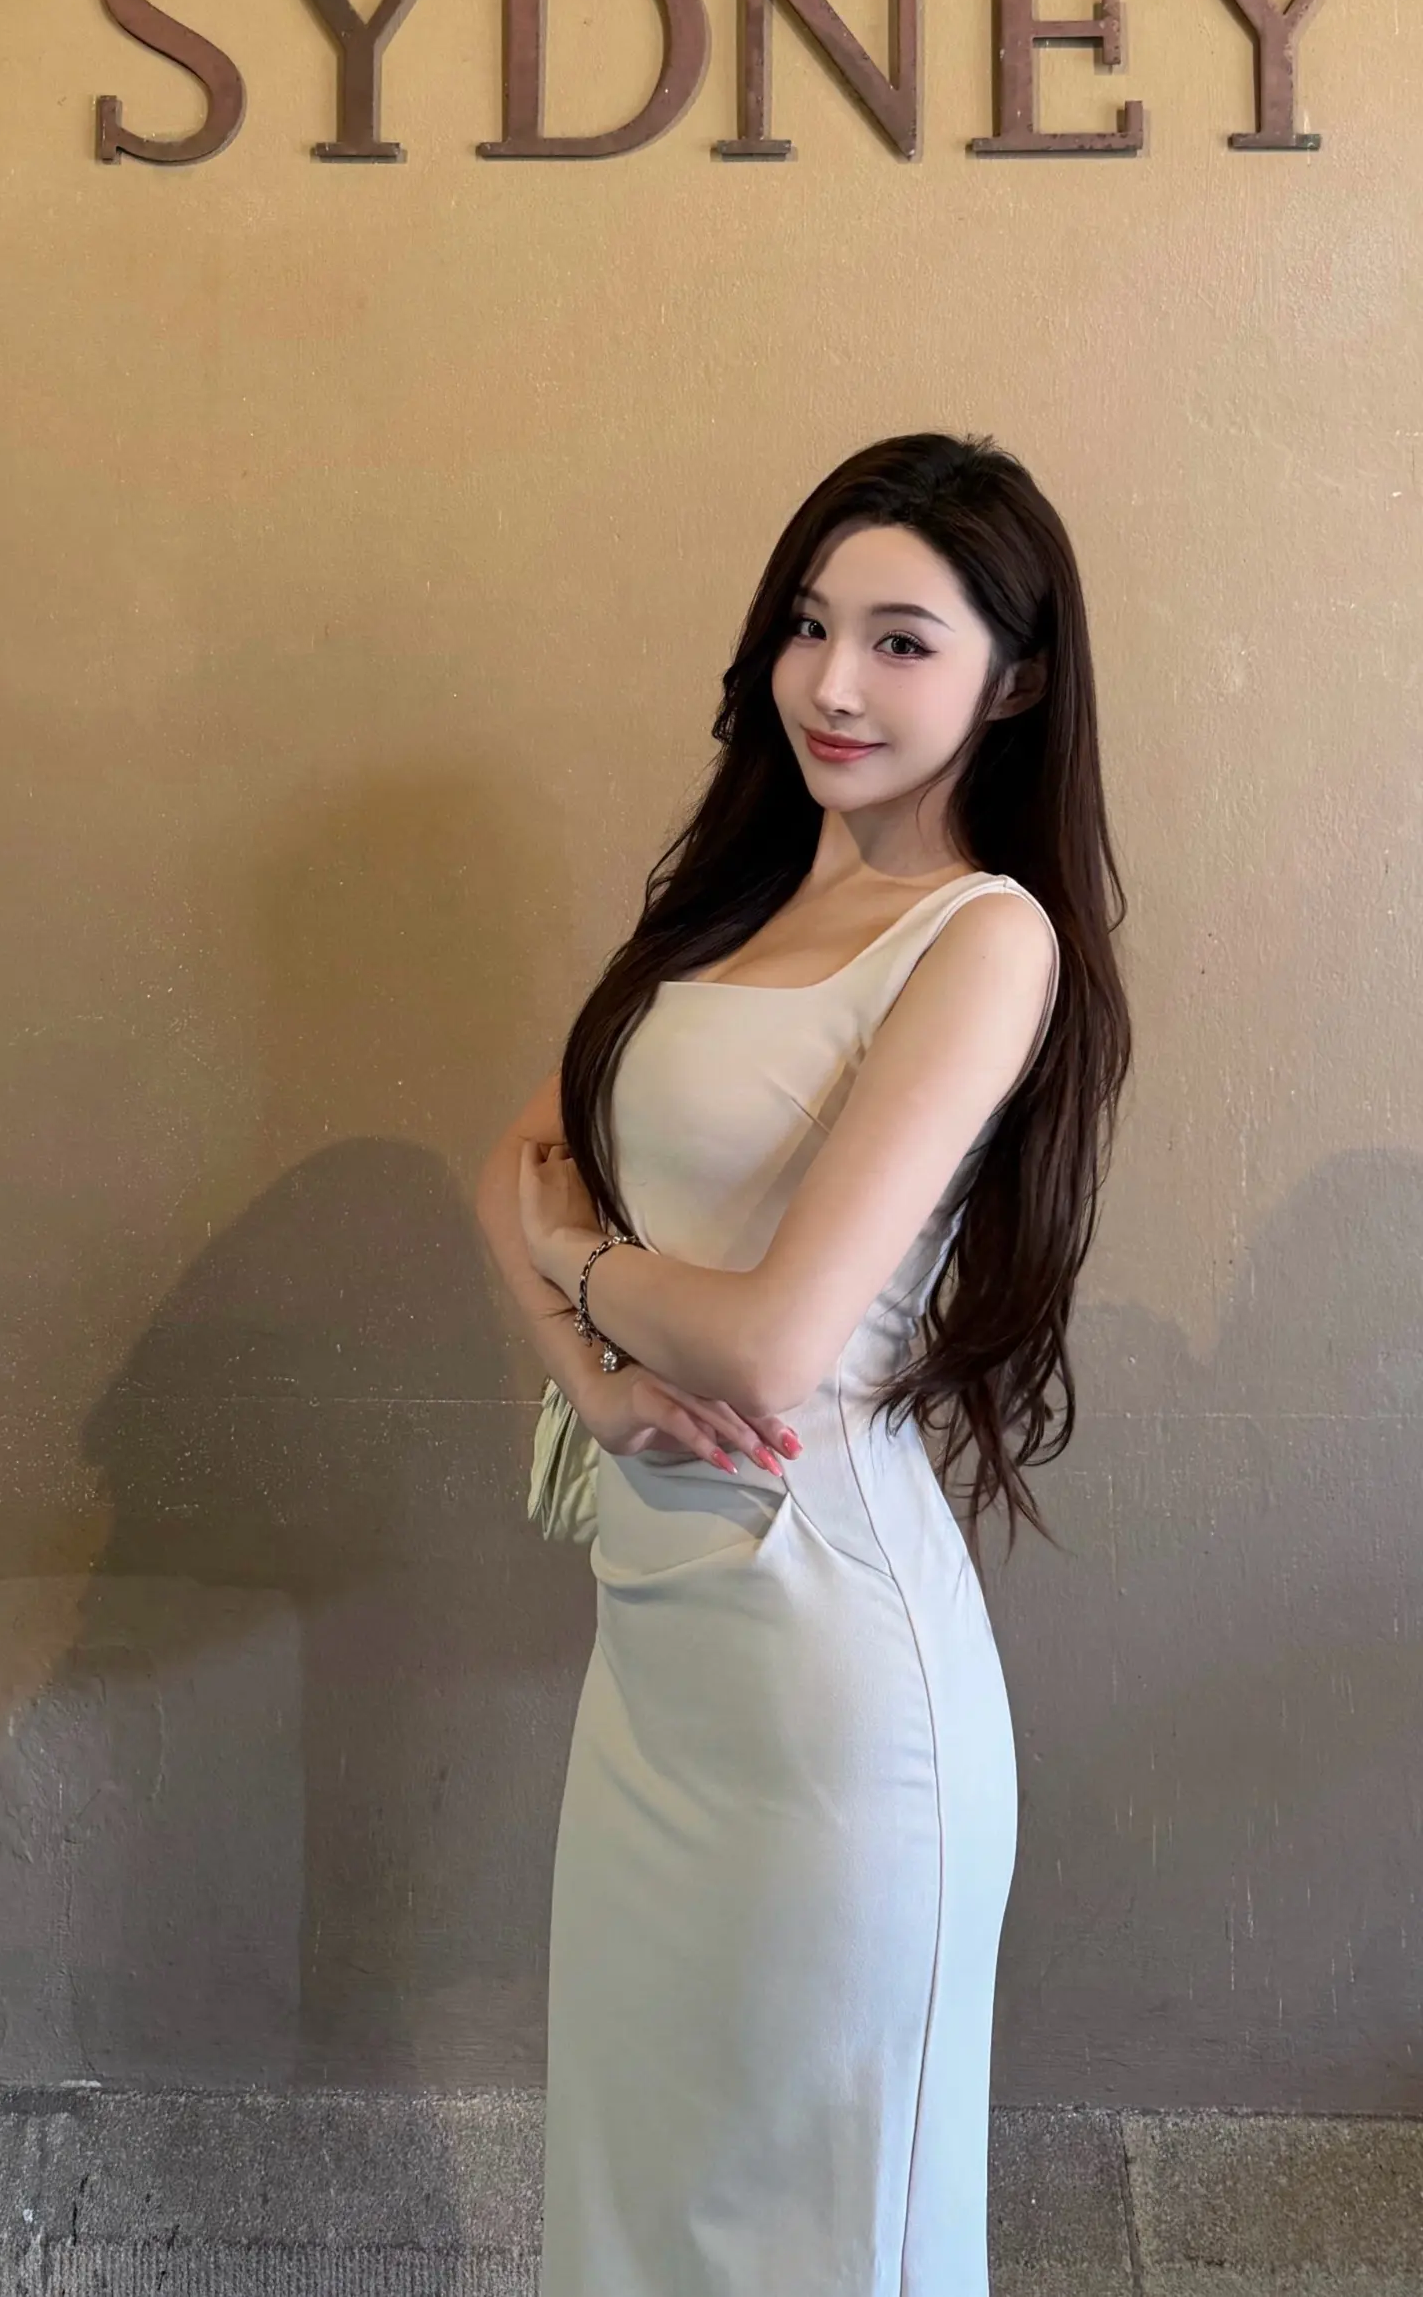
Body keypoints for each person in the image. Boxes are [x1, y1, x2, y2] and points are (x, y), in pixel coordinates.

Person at [474, 431, 1130, 2297]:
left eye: (903, 641)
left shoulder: (985, 936)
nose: (833, 683)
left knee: (821, 2237)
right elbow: (509, 1165)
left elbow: (771, 1343)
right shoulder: (738, 897)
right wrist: (599, 1381)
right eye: (808, 625)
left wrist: (585, 1266)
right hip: (654, 1666)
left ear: (1015, 681)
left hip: (831, 1682)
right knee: (639, 2220)